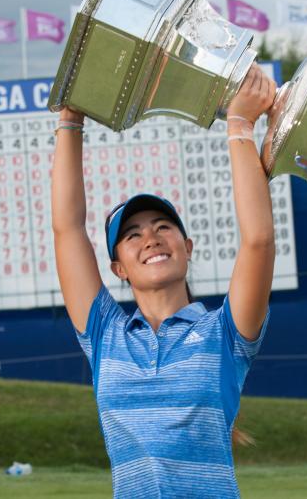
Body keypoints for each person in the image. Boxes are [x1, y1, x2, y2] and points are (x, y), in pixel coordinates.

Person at [52, 64, 277, 497]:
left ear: (187, 247)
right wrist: (69, 119)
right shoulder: (105, 335)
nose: (150, 238)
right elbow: (68, 229)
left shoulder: (224, 333)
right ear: (119, 268)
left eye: (162, 227)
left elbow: (259, 241)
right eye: (132, 235)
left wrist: (239, 125)